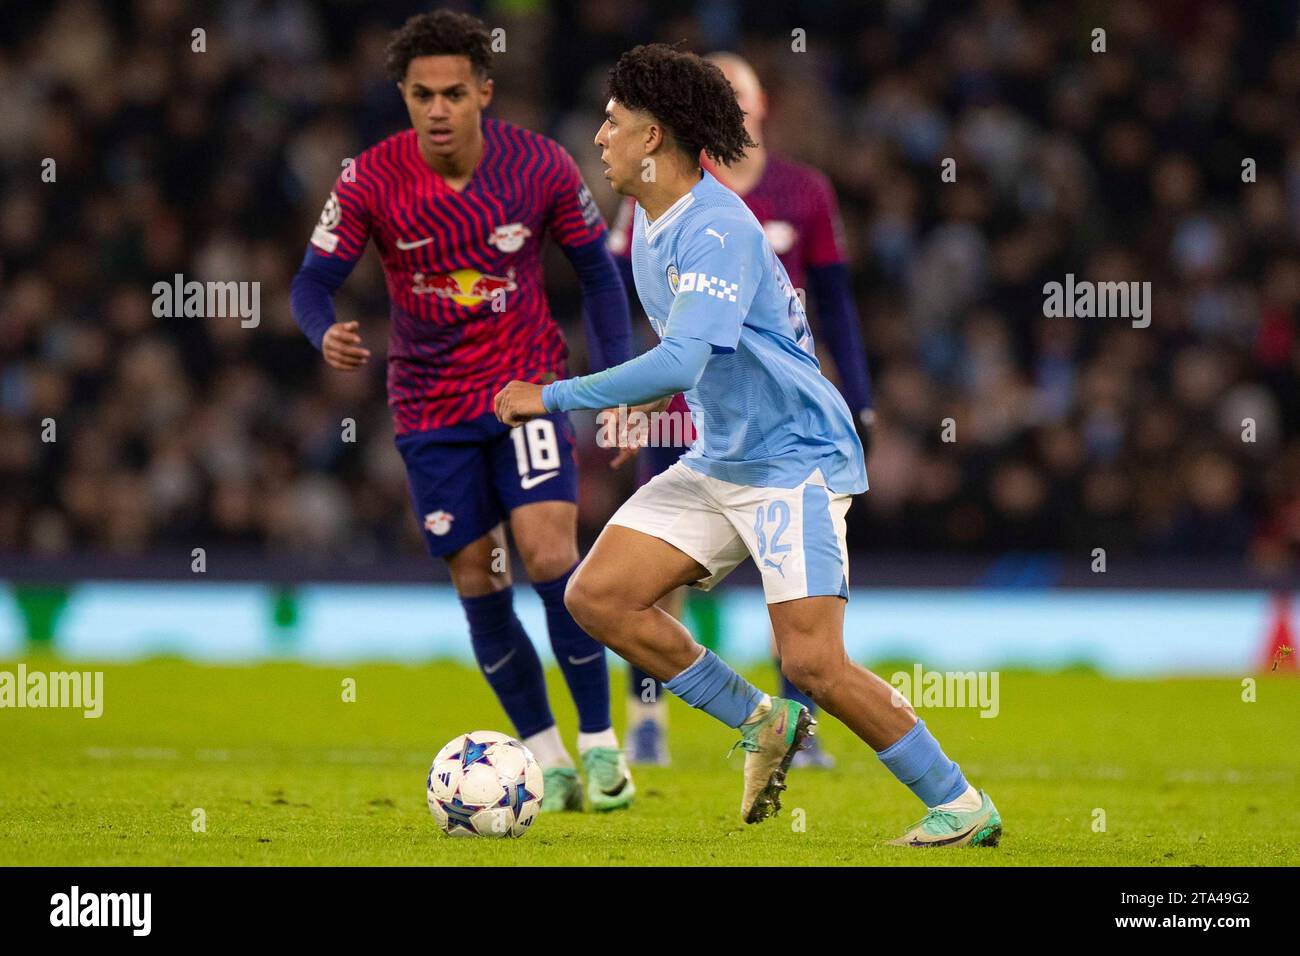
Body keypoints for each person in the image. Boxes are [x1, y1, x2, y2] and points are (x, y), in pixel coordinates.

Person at [494, 44, 1000, 845]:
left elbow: (687, 354)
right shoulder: (651, 224)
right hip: (722, 455)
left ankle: (961, 804)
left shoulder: (717, 226)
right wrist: (647, 403)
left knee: (814, 666)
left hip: (794, 458)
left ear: (654, 136)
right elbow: (706, 351)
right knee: (596, 596)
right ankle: (762, 722)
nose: (599, 137)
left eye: (614, 122)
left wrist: (554, 398)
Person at [289, 11, 636, 813]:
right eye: (421, 95)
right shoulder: (370, 178)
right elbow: (311, 283)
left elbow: (598, 276)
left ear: (484, 90)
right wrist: (324, 333)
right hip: (428, 406)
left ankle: (599, 745)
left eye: (453, 92)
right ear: (403, 97)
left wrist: (612, 386)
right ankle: (547, 762)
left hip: (525, 389)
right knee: (478, 577)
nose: (437, 109)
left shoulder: (540, 165)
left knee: (549, 555)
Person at [607, 52, 875, 767]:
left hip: (775, 413)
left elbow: (838, 299)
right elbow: (621, 292)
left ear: (760, 109)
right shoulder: (657, 192)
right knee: (649, 576)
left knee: (788, 577)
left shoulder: (800, 191)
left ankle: (796, 717)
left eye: (745, 96)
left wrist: (862, 395)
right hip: (686, 402)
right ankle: (649, 718)